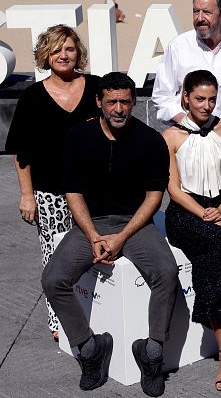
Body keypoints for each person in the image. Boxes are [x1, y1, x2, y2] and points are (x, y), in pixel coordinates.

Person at [41, 72, 176, 396]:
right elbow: (73, 193)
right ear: (99, 102)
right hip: (92, 223)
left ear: (134, 102)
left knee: (167, 272)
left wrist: (121, 237)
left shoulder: (150, 140)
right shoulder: (77, 138)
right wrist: (93, 236)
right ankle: (89, 350)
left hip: (135, 223)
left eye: (125, 102)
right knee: (52, 279)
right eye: (112, 101)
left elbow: (154, 197)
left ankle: (152, 354)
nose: (119, 108)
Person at [6, 25, 100, 341]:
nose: (63, 55)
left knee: (97, 247)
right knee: (56, 253)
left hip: (95, 191)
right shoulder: (32, 97)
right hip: (50, 192)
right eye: (56, 49)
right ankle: (60, 320)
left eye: (70, 49)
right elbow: (21, 152)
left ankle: (98, 309)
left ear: (78, 53)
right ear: (46, 55)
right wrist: (26, 195)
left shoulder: (97, 89)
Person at [162, 70, 221, 391]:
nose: (207, 105)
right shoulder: (170, 136)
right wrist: (208, 215)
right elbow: (174, 190)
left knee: (217, 252)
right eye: (199, 98)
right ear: (185, 97)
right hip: (186, 212)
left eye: (212, 99)